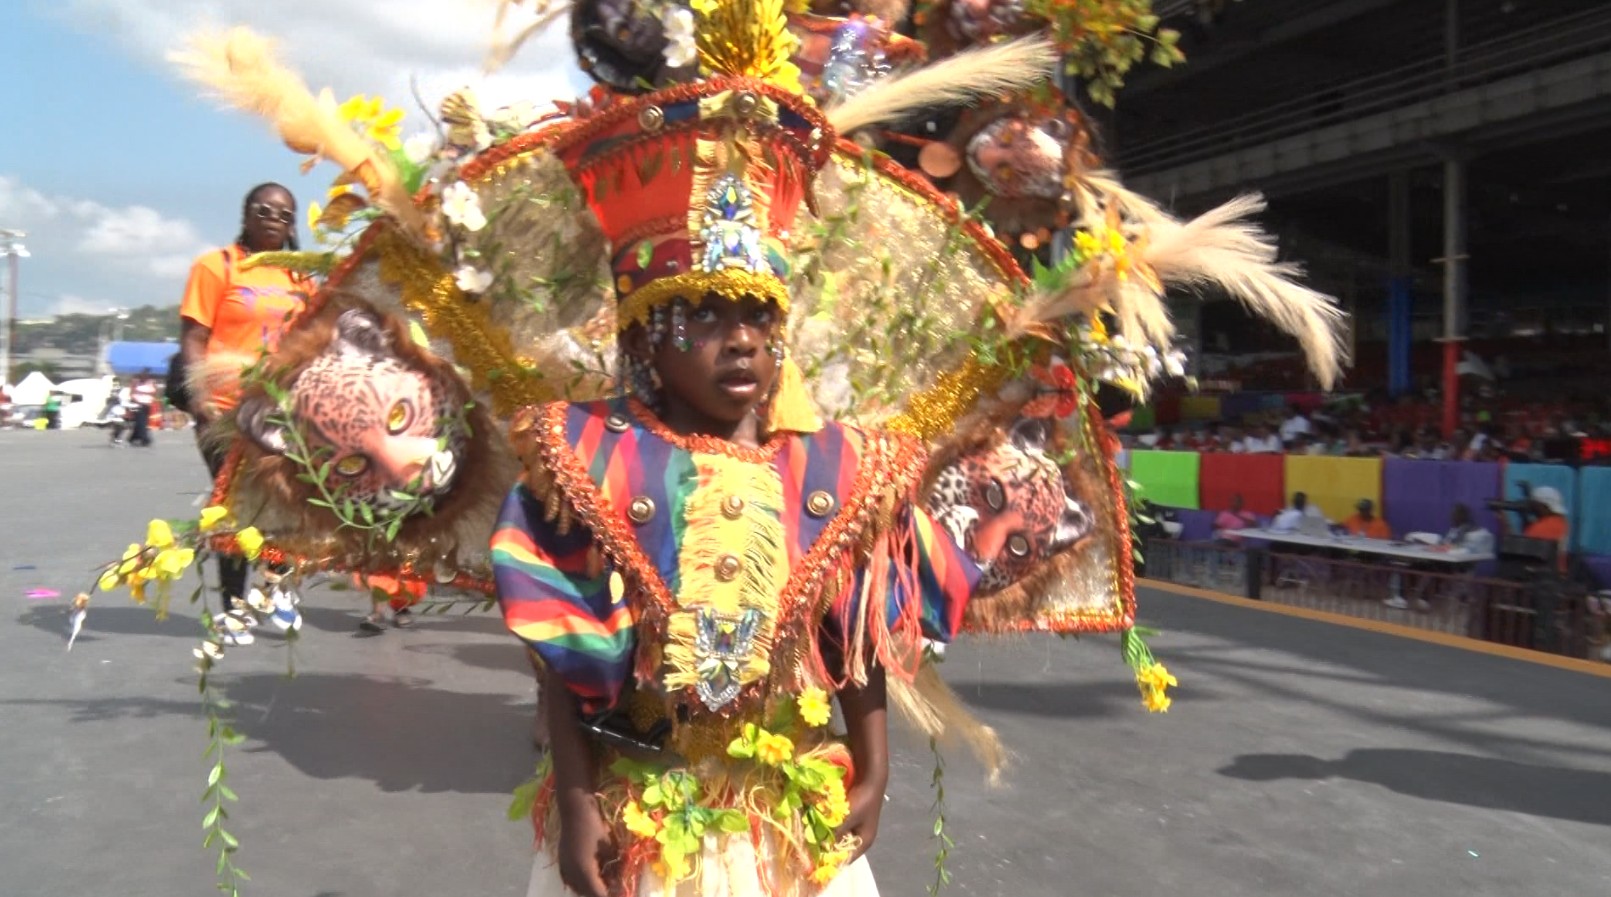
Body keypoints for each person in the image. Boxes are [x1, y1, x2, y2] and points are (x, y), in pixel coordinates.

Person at [179, 183, 311, 608]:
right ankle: (234, 604)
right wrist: (199, 397)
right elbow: (194, 337)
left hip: (282, 413)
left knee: (287, 502)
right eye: (265, 210)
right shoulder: (217, 266)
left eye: (285, 215)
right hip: (224, 409)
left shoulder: (302, 278)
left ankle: (274, 587)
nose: (274, 219)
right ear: (246, 214)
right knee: (235, 505)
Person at [128, 376, 158, 446]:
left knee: (142, 422)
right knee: (141, 421)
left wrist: (150, 396)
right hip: (137, 404)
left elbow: (154, 393)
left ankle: (133, 437)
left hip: (147, 405)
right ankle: (145, 438)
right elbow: (132, 393)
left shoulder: (152, 382)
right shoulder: (135, 382)